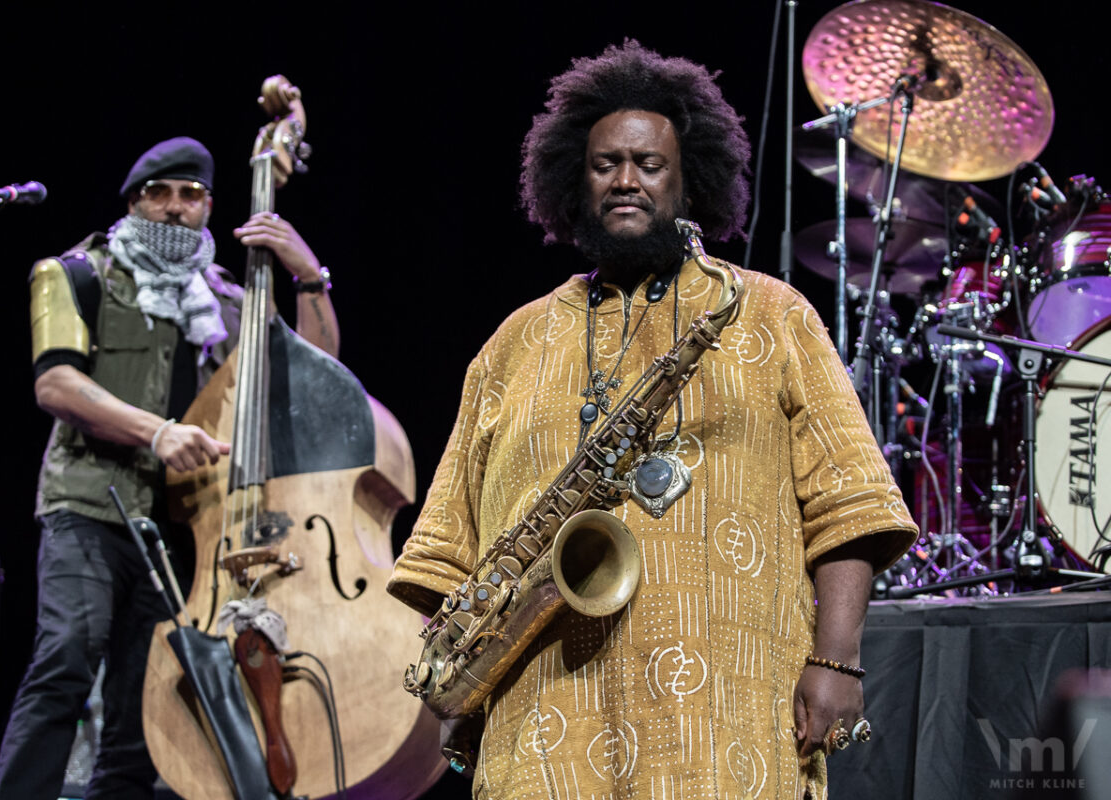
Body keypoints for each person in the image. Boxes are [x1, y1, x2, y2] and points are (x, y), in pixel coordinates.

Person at [387, 41, 918, 799]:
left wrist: (835, 661)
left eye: (649, 164)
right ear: (575, 178)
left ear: (689, 179)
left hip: (725, 718)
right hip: (542, 719)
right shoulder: (512, 343)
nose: (626, 180)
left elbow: (851, 503)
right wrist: (463, 676)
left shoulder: (773, 314)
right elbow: (453, 547)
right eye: (606, 164)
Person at [0, 136, 338, 800]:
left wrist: (310, 274)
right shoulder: (76, 275)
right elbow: (56, 385)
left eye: (192, 195)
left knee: (138, 708)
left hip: (185, 531)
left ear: (209, 207)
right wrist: (158, 433)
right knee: (66, 659)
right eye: (160, 194)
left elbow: (313, 374)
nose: (176, 209)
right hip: (90, 505)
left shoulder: (230, 302)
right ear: (134, 202)